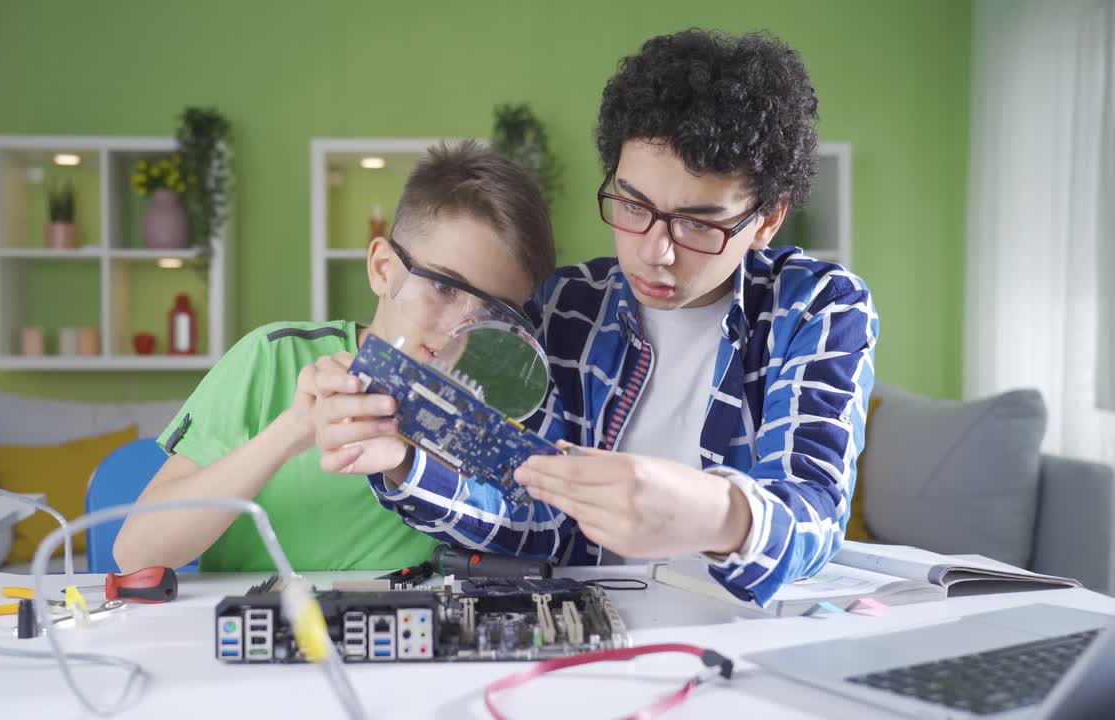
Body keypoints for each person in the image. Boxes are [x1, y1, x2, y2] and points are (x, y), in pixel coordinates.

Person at [308, 29, 878, 606]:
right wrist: (404, 463)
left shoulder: (817, 306)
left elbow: (814, 512)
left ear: (766, 220)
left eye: (699, 223)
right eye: (633, 205)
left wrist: (711, 512)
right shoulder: (566, 306)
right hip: (586, 625)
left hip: (745, 631)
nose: (656, 250)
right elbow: (535, 520)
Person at [113, 140, 556, 573]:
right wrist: (293, 430)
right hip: (261, 630)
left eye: (493, 314)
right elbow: (136, 555)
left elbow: (535, 538)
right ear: (383, 268)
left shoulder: (492, 412)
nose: (459, 327)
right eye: (443, 287)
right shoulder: (272, 359)